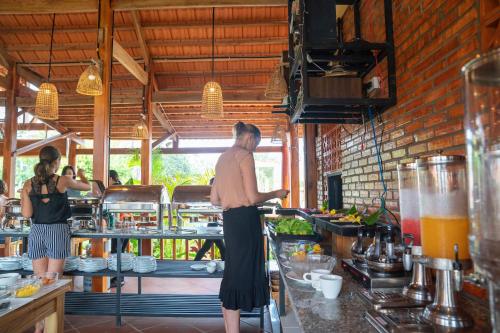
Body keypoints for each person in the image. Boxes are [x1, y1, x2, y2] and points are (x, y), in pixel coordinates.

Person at [210, 121, 288, 333]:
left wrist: (234, 197)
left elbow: (214, 199)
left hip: (230, 222)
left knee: (232, 275)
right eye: (256, 144)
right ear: (250, 138)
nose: (255, 149)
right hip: (245, 221)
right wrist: (276, 193)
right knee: (239, 277)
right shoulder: (244, 155)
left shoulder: (222, 158)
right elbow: (253, 197)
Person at [21, 146, 90, 333]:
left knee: (39, 280)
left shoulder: (28, 183)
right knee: (52, 283)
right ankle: (51, 327)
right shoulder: (63, 180)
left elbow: (26, 213)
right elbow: (88, 187)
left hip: (36, 231)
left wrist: (23, 194)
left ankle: (39, 325)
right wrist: (82, 175)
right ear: (57, 162)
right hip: (57, 230)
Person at [194, 177, 226, 261]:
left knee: (209, 247)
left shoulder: (218, 195)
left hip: (216, 225)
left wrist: (219, 215)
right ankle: (225, 265)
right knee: (221, 248)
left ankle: (195, 262)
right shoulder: (208, 196)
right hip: (213, 225)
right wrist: (216, 214)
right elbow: (203, 211)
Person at [109, 170, 128, 288]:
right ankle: (119, 278)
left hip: (118, 226)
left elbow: (113, 209)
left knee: (116, 252)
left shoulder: (114, 189)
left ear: (111, 178)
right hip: (124, 225)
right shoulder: (122, 187)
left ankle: (118, 278)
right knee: (120, 252)